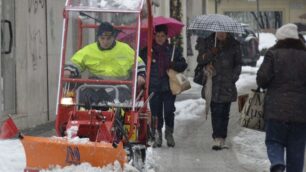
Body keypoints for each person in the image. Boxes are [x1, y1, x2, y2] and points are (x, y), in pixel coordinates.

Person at [257, 23, 306, 172]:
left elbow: (262, 80)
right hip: (301, 112)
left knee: (273, 141)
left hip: (276, 110)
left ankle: (277, 162)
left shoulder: (273, 54)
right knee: (296, 150)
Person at [64, 22, 146, 104]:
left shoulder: (125, 49)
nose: (105, 42)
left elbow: (138, 63)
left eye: (108, 38)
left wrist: (141, 75)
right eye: (102, 38)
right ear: (98, 38)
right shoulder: (88, 50)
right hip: (94, 87)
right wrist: (69, 71)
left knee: (121, 99)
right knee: (82, 96)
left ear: (113, 37)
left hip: (120, 87)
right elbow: (76, 62)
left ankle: (116, 115)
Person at [140, 24, 187, 147]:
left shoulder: (172, 49)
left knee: (169, 111)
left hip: (169, 86)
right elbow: (141, 64)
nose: (160, 38)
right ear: (154, 36)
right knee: (156, 113)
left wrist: (173, 65)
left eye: (163, 36)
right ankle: (157, 135)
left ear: (167, 37)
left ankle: (169, 133)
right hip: (154, 87)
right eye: (158, 35)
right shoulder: (147, 50)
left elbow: (183, 65)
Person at [195, 32, 242, 150]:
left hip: (227, 83)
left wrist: (233, 77)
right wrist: (211, 53)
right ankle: (216, 138)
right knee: (215, 112)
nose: (221, 34)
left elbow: (238, 64)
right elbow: (200, 60)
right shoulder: (208, 42)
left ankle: (222, 138)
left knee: (225, 113)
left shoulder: (234, 45)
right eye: (219, 32)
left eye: (223, 32)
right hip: (213, 82)